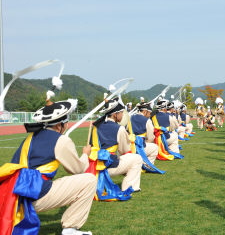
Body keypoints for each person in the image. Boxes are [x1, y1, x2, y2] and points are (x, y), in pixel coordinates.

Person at [0, 98, 96, 235]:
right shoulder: (61, 140)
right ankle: (70, 229)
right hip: (34, 195)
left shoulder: (30, 137)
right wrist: (85, 155)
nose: (67, 126)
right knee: (89, 180)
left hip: (14, 195)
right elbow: (78, 170)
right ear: (59, 125)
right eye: (65, 123)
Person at [88, 97, 143, 200]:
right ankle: (130, 186)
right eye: (121, 112)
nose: (122, 115)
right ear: (115, 114)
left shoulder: (96, 127)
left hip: (94, 166)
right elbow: (125, 150)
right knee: (137, 158)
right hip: (109, 166)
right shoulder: (119, 128)